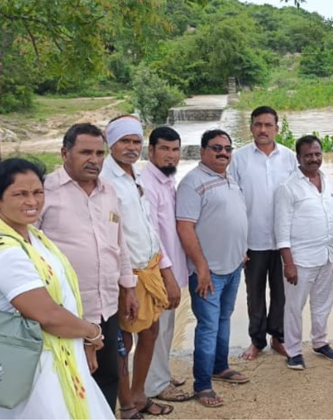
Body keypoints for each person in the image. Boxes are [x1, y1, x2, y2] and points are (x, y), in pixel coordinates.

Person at [0, 158, 114, 419]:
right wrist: (92, 332)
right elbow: (47, 315)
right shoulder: (4, 252)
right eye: (20, 194)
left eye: (38, 192)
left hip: (59, 359)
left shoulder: (33, 237)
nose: (32, 201)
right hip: (34, 371)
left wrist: (82, 340)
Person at [38, 122, 138, 412]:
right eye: (85, 152)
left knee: (107, 376)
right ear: (64, 153)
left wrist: (128, 288)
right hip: (64, 311)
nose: (94, 160)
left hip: (106, 306)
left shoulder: (109, 191)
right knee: (67, 382)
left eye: (99, 153)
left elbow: (119, 244)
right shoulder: (45, 192)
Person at [100, 115, 172, 418]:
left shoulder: (137, 176)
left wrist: (166, 268)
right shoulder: (104, 181)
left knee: (151, 331)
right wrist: (124, 280)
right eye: (125, 142)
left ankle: (140, 395)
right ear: (111, 144)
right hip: (125, 274)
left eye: (136, 142)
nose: (131, 147)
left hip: (149, 267)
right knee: (123, 341)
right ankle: (126, 404)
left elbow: (149, 227)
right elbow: (110, 236)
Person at [176, 129, 250, 408]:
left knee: (223, 319)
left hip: (232, 267)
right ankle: (203, 385)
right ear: (203, 151)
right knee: (207, 326)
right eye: (217, 148)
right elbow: (185, 227)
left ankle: (220, 367)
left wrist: (240, 251)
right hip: (208, 273)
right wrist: (201, 268)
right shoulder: (192, 183)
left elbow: (232, 219)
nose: (223, 153)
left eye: (228, 149)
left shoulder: (228, 178)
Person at [229, 106, 297, 361]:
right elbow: (232, 200)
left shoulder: (290, 158)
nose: (263, 130)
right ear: (251, 127)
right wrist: (238, 244)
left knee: (282, 293)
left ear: (277, 129)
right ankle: (256, 340)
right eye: (258, 124)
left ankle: (278, 337)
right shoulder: (238, 159)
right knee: (254, 293)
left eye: (268, 125)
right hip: (252, 240)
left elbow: (297, 199)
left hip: (283, 242)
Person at [275, 135, 333, 371]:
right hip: (301, 259)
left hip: (326, 256)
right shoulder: (288, 187)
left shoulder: (328, 181)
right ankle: (293, 351)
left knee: (323, 303)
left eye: (317, 154)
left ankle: (320, 342)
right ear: (298, 158)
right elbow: (281, 230)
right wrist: (288, 263)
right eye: (308, 155)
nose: (314, 159)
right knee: (294, 307)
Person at [141, 126, 191, 403]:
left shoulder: (167, 180)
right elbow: (152, 237)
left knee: (167, 327)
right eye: (164, 149)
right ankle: (155, 384)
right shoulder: (146, 185)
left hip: (172, 269)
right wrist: (168, 275)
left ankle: (159, 373)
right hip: (158, 271)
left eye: (175, 150)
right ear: (151, 151)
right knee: (155, 330)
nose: (171, 156)